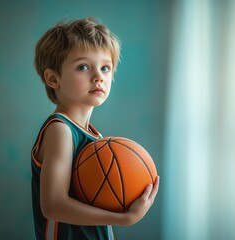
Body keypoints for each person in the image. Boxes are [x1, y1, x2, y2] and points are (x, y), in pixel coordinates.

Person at [31, 18, 159, 240]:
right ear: (53, 78)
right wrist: (122, 218)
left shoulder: (96, 137)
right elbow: (53, 205)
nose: (99, 76)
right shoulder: (60, 130)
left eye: (105, 68)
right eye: (83, 67)